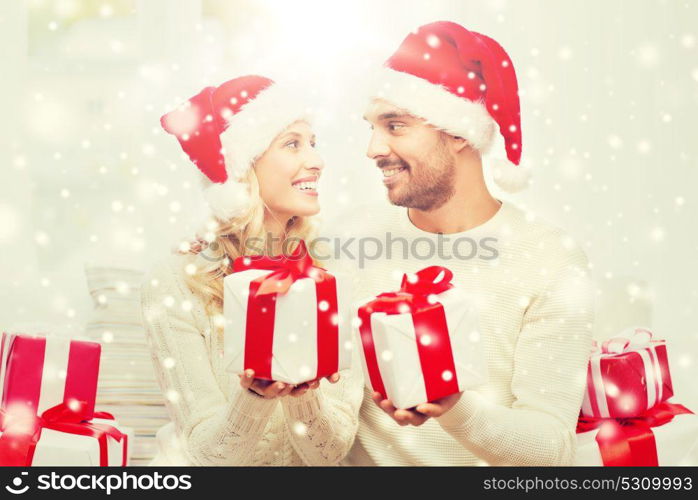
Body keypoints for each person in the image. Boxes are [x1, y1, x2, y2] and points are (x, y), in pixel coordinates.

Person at [332, 21, 595, 466]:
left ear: (458, 133)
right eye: (373, 127)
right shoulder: (351, 238)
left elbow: (551, 448)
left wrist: (455, 407)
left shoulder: (550, 259)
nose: (373, 148)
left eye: (395, 126)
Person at [140, 75, 363, 466]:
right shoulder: (176, 282)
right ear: (241, 170)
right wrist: (255, 398)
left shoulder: (334, 274)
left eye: (313, 143)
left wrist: (303, 392)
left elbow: (330, 452)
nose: (316, 160)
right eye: (292, 143)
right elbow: (209, 456)